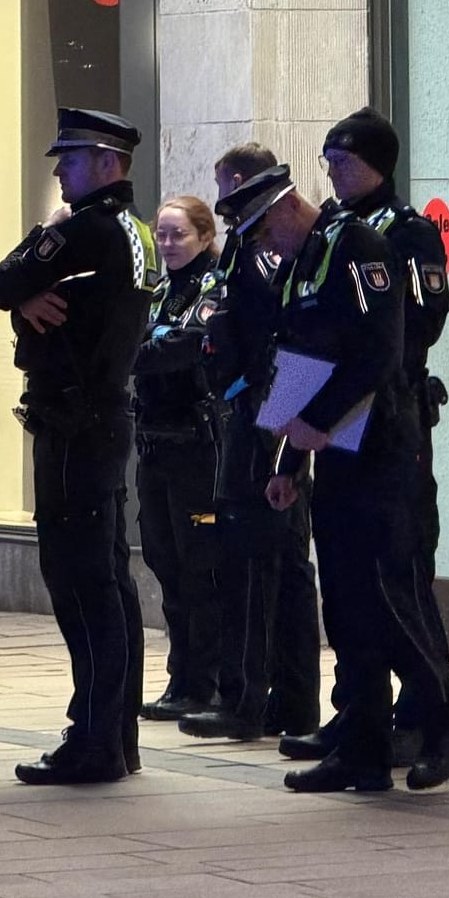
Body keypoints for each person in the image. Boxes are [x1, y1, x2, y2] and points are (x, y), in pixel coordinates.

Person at [218, 164, 449, 793]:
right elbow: (301, 364)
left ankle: (444, 718)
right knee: (349, 605)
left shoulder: (356, 246)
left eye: (260, 233)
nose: (262, 248)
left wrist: (319, 424)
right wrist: (288, 464)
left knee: (390, 597)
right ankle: (361, 747)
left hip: (382, 448)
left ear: (281, 211)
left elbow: (378, 354)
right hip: (335, 453)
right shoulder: (307, 261)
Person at [279, 108, 449, 768]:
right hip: (343, 413)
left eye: (344, 161)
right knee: (347, 577)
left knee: (397, 574)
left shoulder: (407, 231)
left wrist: (364, 367)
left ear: (376, 164)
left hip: (388, 413)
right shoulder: (335, 232)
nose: (332, 172)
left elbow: (421, 321)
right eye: (328, 162)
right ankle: (359, 712)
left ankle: (434, 711)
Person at [0, 108, 159, 785]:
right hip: (108, 414)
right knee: (110, 579)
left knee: (80, 582)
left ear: (107, 163)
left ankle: (92, 739)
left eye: (71, 158)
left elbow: (2, 282)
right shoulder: (137, 232)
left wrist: (30, 279)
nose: (58, 170)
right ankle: (116, 734)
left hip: (71, 422)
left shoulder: (83, 232)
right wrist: (30, 300)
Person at [177, 143, 322, 740]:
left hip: (264, 413)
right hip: (261, 407)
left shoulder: (263, 248)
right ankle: (286, 701)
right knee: (274, 566)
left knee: (256, 567)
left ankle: (246, 699)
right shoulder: (249, 241)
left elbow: (273, 337)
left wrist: (246, 392)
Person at [132, 196, 227, 723]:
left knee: (200, 565)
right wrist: (148, 341)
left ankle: (206, 682)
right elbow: (136, 339)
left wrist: (147, 343)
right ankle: (180, 678)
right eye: (162, 235)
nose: (168, 245)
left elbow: (187, 345)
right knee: (164, 562)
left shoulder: (214, 285)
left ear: (204, 235)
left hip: (197, 445)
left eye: (178, 235)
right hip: (154, 442)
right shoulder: (159, 290)